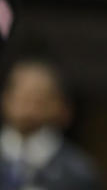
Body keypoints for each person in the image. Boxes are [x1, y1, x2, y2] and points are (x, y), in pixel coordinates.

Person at [0, 59, 101, 190]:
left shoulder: (77, 170)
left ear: (59, 106)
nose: (28, 108)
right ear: (6, 98)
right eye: (22, 97)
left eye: (38, 100)